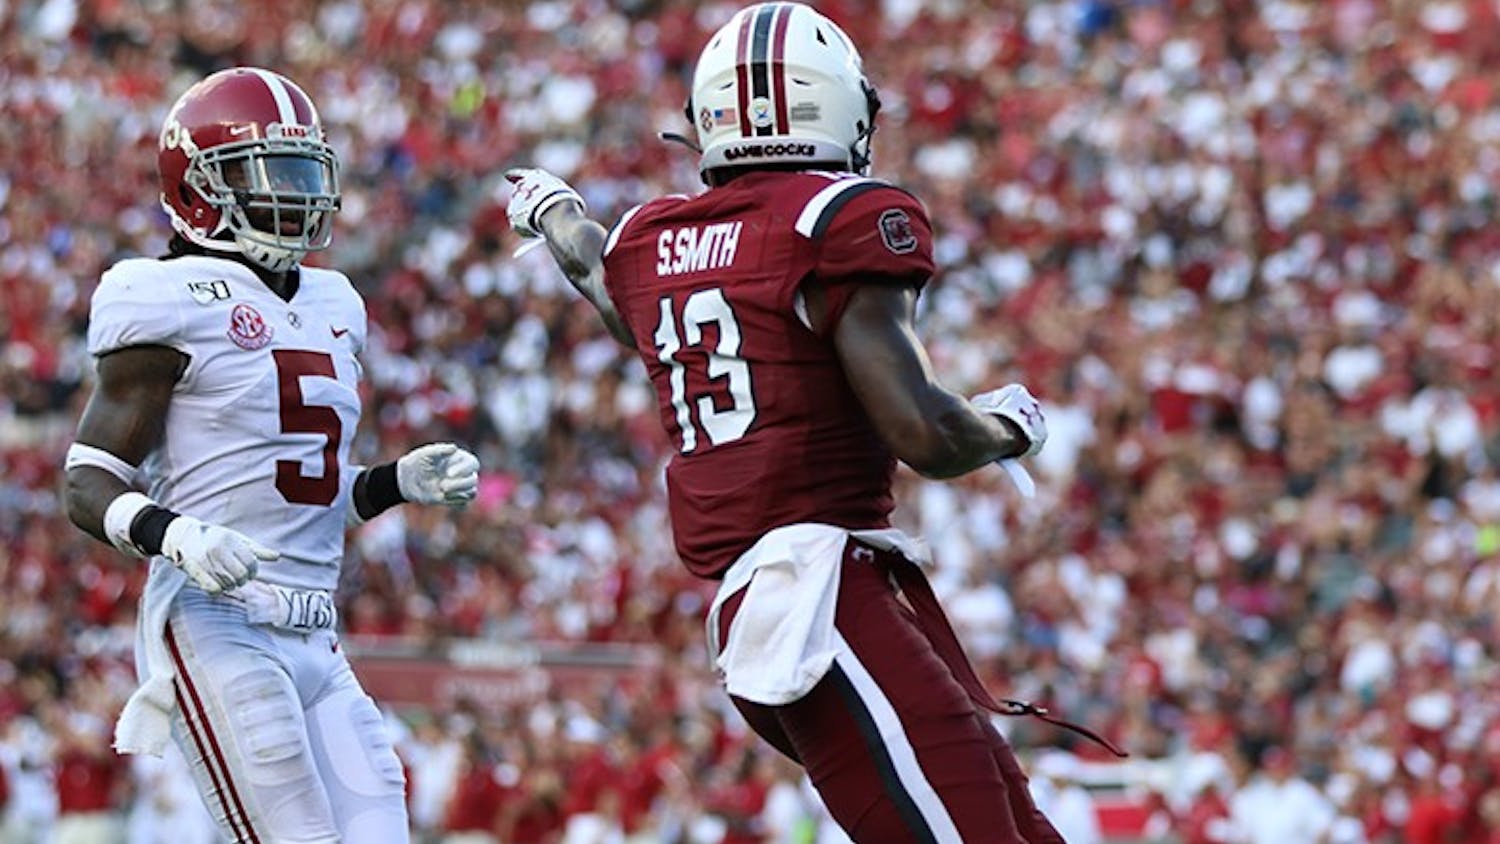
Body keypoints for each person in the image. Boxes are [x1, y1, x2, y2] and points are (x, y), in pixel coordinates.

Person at [506, 4, 1119, 840]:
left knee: (1015, 824)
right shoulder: (834, 218)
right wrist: (1012, 429)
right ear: (833, 106)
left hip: (779, 602)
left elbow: (594, 266)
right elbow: (926, 433)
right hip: (819, 597)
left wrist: (552, 212)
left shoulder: (652, 241)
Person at [62, 67, 481, 844]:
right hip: (217, 620)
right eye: (267, 174)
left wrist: (395, 482)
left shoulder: (334, 302)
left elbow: (307, 492)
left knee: (382, 829)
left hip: (316, 628)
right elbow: (87, 479)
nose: (295, 194)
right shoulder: (161, 294)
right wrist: (175, 535)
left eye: (302, 170)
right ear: (196, 187)